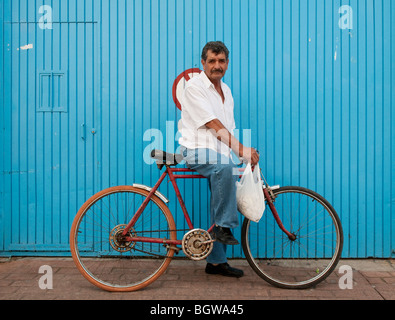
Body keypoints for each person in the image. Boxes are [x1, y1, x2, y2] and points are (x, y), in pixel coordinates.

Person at [179, 41, 260, 278]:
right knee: (223, 171)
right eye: (212, 61)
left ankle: (216, 263)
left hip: (220, 154)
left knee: (225, 194)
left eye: (221, 61)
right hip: (196, 150)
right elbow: (213, 125)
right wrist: (242, 149)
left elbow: (228, 128)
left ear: (227, 63)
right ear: (202, 63)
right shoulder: (195, 88)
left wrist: (242, 154)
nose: (217, 65)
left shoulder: (226, 91)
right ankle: (224, 228)